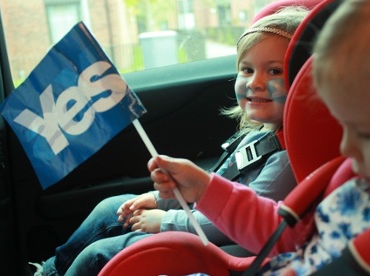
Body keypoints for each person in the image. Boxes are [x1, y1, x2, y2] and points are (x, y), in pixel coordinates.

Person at [30, 6, 309, 276]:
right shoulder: (260, 134)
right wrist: (159, 200)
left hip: (229, 248)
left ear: (306, 83)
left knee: (102, 254)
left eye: (274, 72)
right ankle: (51, 271)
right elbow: (216, 189)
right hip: (203, 222)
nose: (254, 82)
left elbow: (238, 223)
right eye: (246, 70)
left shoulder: (288, 159)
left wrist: (166, 222)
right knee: (109, 210)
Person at [149, 0, 370, 274]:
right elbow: (287, 235)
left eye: (367, 133)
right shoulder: (357, 185)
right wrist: (205, 189)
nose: (345, 147)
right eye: (343, 127)